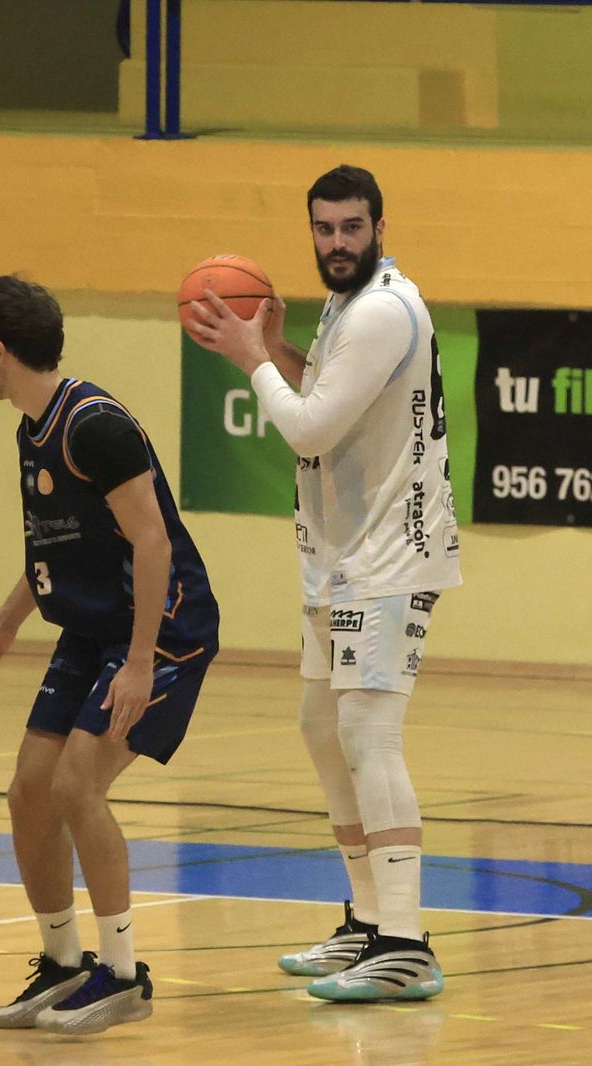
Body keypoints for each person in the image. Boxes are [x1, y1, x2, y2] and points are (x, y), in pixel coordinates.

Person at [186, 164, 461, 1002]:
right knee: (319, 725)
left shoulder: (381, 309)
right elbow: (326, 392)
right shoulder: (351, 302)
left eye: (350, 227)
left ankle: (407, 945)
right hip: (343, 556)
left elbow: (308, 430)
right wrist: (272, 347)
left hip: (389, 555)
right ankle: (370, 922)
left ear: (380, 225)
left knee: (369, 736)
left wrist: (246, 360)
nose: (335, 243)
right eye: (322, 228)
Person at [0, 276, 219, 1036]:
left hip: (163, 627)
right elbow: (54, 550)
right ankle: (65, 961)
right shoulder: (30, 431)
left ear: (0, 350)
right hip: (93, 630)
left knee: (76, 783)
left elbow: (152, 540)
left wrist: (140, 662)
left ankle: (125, 975)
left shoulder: (95, 425)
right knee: (28, 791)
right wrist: (5, 622)